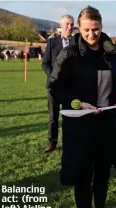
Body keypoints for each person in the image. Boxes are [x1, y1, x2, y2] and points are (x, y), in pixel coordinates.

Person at [48, 6, 116, 208]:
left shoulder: (113, 52)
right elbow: (55, 87)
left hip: (106, 124)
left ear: (102, 26)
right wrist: (78, 103)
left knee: (102, 173)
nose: (92, 34)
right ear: (80, 28)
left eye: (96, 29)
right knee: (82, 176)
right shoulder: (69, 55)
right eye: (87, 30)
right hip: (79, 126)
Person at [42, 15, 74, 153]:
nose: (69, 27)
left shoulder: (77, 43)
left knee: (69, 117)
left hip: (69, 88)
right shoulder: (52, 42)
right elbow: (45, 63)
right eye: (67, 24)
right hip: (54, 87)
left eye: (72, 24)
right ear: (61, 26)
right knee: (53, 117)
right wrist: (54, 77)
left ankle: (69, 142)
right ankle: (52, 143)